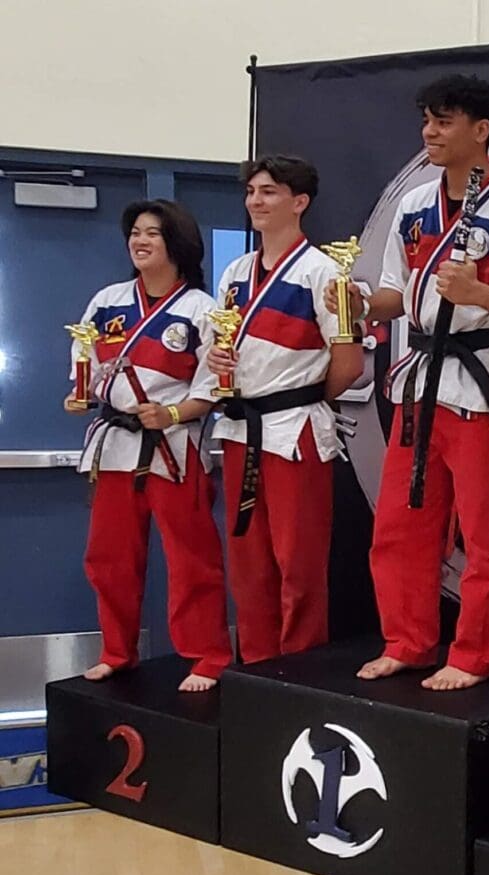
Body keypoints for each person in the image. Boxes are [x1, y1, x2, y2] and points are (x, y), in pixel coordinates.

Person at [331, 74, 489, 691]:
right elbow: (391, 295)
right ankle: (407, 640)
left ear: (481, 130)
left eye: (444, 121)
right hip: (419, 386)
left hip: (484, 385)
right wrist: (354, 300)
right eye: (427, 122)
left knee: (487, 535)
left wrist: (480, 294)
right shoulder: (413, 207)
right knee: (402, 527)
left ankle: (475, 654)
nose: (429, 133)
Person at [64, 199, 232, 692]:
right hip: (115, 444)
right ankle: (117, 650)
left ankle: (207, 654)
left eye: (152, 233)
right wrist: (80, 392)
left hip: (174, 448)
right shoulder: (108, 300)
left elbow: (215, 385)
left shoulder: (202, 309)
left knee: (192, 558)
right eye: (134, 232)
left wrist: (174, 413)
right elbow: (86, 361)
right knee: (108, 556)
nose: (139, 241)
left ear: (176, 242)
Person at [206, 155, 362, 663]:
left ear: (300, 202)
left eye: (269, 191)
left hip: (295, 431)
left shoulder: (325, 273)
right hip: (239, 427)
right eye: (252, 191)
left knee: (298, 562)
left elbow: (349, 363)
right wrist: (216, 357)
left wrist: (302, 395)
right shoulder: (234, 271)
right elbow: (221, 342)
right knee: (249, 561)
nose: (256, 200)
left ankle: (300, 671)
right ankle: (255, 665)